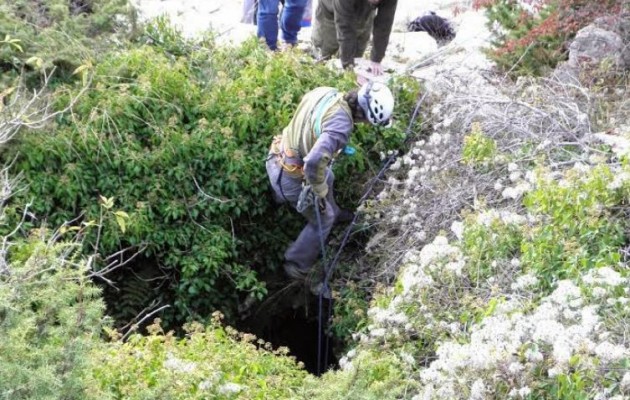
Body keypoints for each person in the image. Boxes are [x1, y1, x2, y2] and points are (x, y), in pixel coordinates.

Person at [266, 82, 395, 291]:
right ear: (366, 118)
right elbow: (313, 163)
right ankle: (296, 264)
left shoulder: (328, 93)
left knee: (329, 176)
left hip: (276, 156)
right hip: (288, 177)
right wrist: (320, 194)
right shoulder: (340, 127)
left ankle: (330, 210)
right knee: (323, 219)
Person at [312, 0, 398, 75]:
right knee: (326, 53)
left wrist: (376, 59)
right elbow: (345, 28)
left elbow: (384, 25)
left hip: (365, 10)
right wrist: (348, 66)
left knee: (357, 57)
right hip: (330, 10)